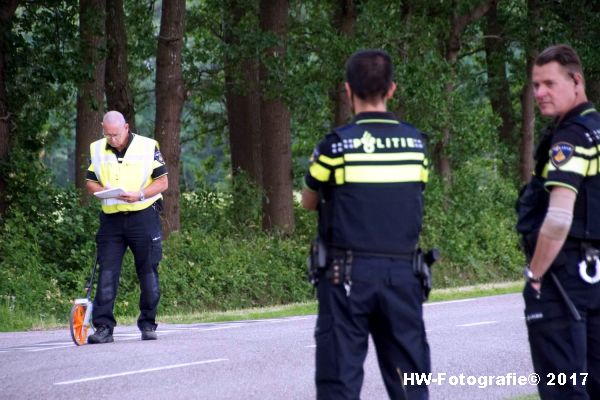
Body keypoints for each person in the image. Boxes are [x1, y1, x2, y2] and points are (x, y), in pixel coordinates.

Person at [302, 49, 431, 400]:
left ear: (348, 91)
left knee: (339, 381)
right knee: (411, 382)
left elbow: (308, 200)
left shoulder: (334, 145)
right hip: (404, 276)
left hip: (347, 276)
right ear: (391, 89)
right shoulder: (416, 145)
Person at [516, 44, 600, 399]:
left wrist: (535, 276)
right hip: (594, 274)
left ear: (576, 81)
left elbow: (559, 217)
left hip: (565, 277)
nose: (539, 93)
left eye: (549, 83)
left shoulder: (570, 139)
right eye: (535, 85)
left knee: (563, 388)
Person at [85, 110, 168, 344]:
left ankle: (148, 323)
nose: (112, 139)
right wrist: (103, 189)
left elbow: (163, 182)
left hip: (143, 216)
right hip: (111, 219)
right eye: (108, 134)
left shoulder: (148, 146)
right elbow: (90, 181)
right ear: (103, 128)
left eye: (116, 135)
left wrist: (140, 194)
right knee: (107, 273)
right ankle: (103, 327)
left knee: (148, 271)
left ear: (126, 127)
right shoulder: (97, 148)